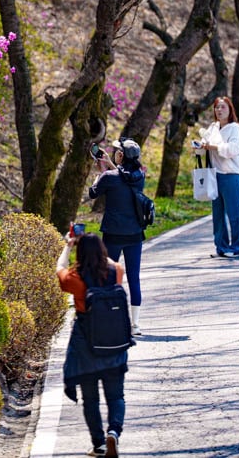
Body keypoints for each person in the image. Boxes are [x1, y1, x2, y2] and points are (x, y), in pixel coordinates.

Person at [57, 232, 127, 457]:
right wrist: (100, 254)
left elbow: (59, 271)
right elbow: (114, 264)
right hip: (114, 344)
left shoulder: (75, 279)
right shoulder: (116, 271)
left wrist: (68, 246)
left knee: (91, 399)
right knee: (116, 396)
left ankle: (98, 444)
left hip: (86, 347)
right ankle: (113, 432)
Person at [89, 138, 145, 335]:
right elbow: (125, 178)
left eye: (117, 151)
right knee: (134, 278)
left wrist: (99, 176)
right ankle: (135, 325)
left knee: (109, 277)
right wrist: (112, 166)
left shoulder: (109, 178)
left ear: (121, 155)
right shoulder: (140, 176)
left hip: (113, 234)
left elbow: (93, 193)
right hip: (135, 234)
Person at [196, 96, 239, 257]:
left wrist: (215, 147)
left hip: (231, 175)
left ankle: (238, 246)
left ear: (230, 109)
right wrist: (200, 146)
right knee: (217, 215)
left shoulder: (234, 128)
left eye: (223, 107)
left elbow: (235, 148)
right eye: (217, 107)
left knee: (234, 213)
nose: (219, 110)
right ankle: (221, 246)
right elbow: (205, 146)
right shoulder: (213, 128)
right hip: (214, 175)